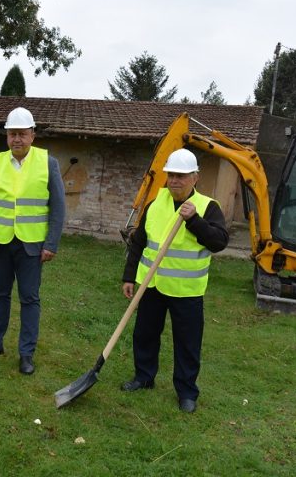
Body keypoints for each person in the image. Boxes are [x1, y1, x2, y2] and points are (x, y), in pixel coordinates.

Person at [120, 148, 229, 413]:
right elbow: (138, 243)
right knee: (144, 334)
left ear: (195, 178)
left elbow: (219, 242)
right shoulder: (156, 204)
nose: (174, 181)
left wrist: (194, 220)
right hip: (152, 284)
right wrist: (129, 276)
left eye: (181, 176)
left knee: (187, 343)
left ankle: (187, 392)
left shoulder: (207, 207)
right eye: (171, 175)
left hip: (186, 290)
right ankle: (144, 377)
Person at [0, 107, 66, 375]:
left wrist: (51, 244)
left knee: (29, 298)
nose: (17, 140)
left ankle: (26, 353)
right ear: (6, 136)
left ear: (32, 135)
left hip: (32, 246)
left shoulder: (49, 163)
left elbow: (58, 207)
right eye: (12, 134)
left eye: (22, 134)